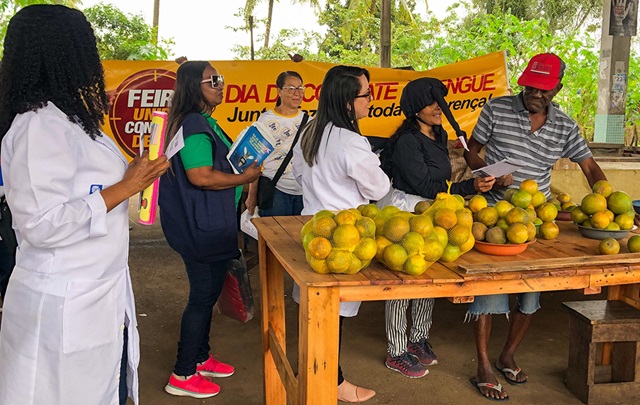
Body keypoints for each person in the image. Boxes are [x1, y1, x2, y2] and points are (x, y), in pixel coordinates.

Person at [0, 5, 170, 405]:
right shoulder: (36, 126)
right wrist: (124, 188)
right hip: (61, 303)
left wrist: (129, 176)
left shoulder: (70, 120)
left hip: (95, 294)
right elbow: (39, 226)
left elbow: (81, 191)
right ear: (66, 54)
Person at [463, 53, 607, 401]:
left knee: (530, 294)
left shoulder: (565, 126)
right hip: (493, 215)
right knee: (490, 292)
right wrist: (488, 173)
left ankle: (507, 355)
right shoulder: (496, 109)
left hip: (535, 222)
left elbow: (589, 168)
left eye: (543, 89)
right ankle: (483, 364)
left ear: (557, 89)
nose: (534, 94)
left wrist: (608, 200)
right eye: (530, 86)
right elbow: (471, 151)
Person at [158, 61, 262, 399]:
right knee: (202, 298)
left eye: (221, 79)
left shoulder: (202, 122)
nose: (221, 84)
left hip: (211, 224)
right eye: (213, 80)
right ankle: (183, 373)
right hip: (200, 226)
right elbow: (200, 175)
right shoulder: (192, 125)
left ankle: (201, 358)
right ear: (193, 86)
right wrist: (244, 179)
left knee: (209, 292)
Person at [380, 77, 495, 378]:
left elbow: (438, 185)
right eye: (432, 103)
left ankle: (418, 338)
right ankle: (397, 350)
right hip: (407, 213)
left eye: (440, 103)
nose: (438, 108)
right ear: (415, 108)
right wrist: (469, 186)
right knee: (404, 281)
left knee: (428, 276)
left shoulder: (439, 134)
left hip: (434, 210)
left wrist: (472, 184)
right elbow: (424, 184)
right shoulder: (407, 142)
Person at [292, 65, 390, 403]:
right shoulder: (351, 141)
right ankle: (330, 383)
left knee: (313, 311)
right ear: (349, 103)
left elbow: (298, 173)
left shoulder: (310, 131)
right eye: (366, 94)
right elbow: (379, 186)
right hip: (345, 237)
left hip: (311, 230)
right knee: (334, 315)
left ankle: (317, 373)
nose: (371, 100)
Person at [245, 71, 307, 217]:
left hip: (304, 192)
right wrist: (252, 195)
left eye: (300, 88)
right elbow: (255, 160)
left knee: (300, 238)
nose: (297, 93)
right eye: (291, 88)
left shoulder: (309, 121)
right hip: (275, 190)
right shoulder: (265, 119)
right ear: (279, 91)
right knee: (275, 238)